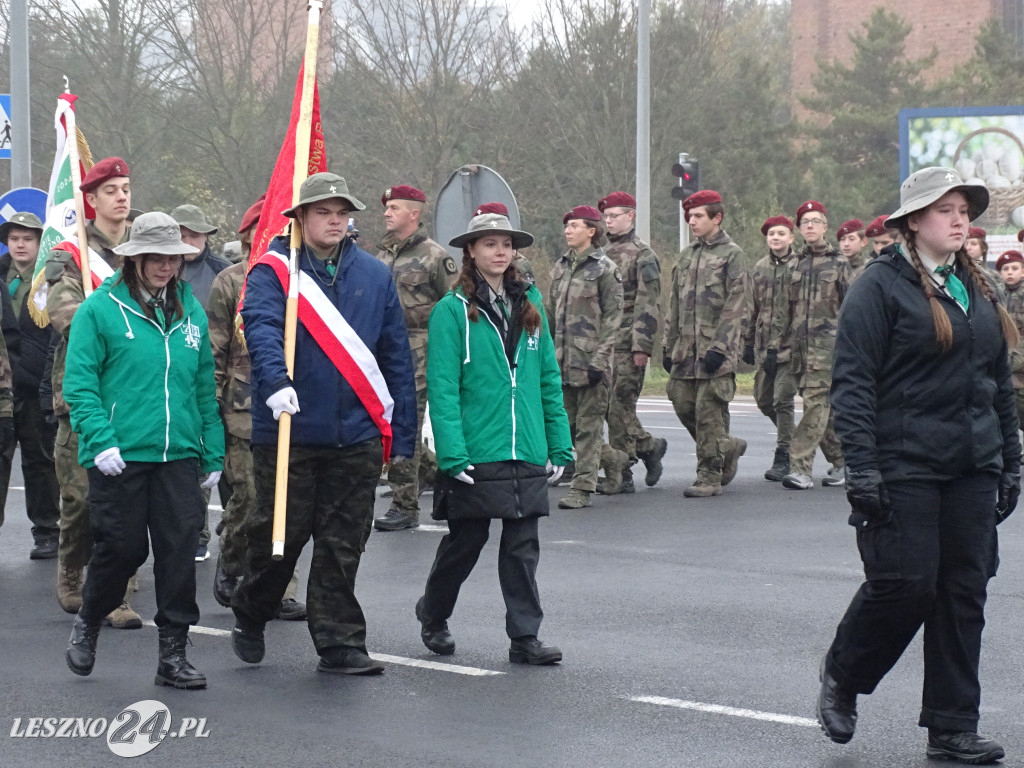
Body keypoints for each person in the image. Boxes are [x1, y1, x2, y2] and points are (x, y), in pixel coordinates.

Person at [817, 167, 1019, 764]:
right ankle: (844, 674)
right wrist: (864, 472)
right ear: (911, 222)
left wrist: (1010, 460)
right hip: (903, 463)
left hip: (972, 466)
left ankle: (953, 727)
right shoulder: (877, 287)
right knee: (906, 585)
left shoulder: (980, 285)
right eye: (945, 209)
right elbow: (851, 387)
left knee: (963, 592)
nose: (960, 219)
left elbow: (997, 384)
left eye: (965, 209)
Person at [231, 172, 416, 675]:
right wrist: (275, 382)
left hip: (355, 433)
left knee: (343, 543)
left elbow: (395, 355)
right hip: (290, 429)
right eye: (322, 212)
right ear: (300, 219)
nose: (334, 220)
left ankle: (339, 643)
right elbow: (263, 327)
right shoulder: (272, 273)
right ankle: (251, 608)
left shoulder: (375, 276)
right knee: (278, 540)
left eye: (341, 212)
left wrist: (401, 434)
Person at [62, 211, 224, 688]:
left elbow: (201, 385)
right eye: (154, 256)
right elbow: (80, 384)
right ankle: (90, 619)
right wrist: (100, 439)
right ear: (134, 258)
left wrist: (210, 449)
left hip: (177, 456)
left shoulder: (190, 310)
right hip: (119, 456)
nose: (164, 266)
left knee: (178, 554)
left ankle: (172, 655)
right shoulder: (100, 310)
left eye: (171, 257)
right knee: (122, 550)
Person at [416, 212, 571, 664]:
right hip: (476, 448)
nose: (500, 252)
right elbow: (442, 388)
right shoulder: (451, 311)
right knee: (466, 541)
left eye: (506, 244)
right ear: (471, 251)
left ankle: (525, 638)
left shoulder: (531, 304)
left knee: (522, 546)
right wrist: (452, 453)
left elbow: (547, 379)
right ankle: (434, 614)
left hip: (526, 446)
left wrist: (558, 442)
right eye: (489, 244)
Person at [46, 156, 142, 628]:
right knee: (82, 499)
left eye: (125, 187)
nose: (122, 196)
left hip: (136, 391)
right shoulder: (71, 252)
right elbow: (63, 314)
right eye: (111, 190)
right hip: (82, 392)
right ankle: (70, 565)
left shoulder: (148, 245)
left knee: (124, 502)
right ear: (92, 199)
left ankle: (116, 594)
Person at [206, 195, 306, 621]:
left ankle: (279, 586)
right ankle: (231, 561)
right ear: (249, 235)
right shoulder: (230, 282)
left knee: (287, 501)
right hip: (243, 409)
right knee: (248, 498)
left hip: (293, 405)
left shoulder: (301, 278)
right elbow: (215, 350)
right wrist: (209, 410)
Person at [373, 184, 455, 532]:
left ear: (414, 214)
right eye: (387, 207)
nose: (387, 213)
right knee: (388, 425)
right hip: (383, 353)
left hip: (421, 352)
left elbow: (456, 307)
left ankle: (405, 505)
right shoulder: (381, 256)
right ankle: (434, 475)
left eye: (394, 207)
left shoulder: (436, 257)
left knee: (404, 422)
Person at [662, 190, 749, 498]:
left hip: (716, 353)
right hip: (685, 351)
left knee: (708, 413)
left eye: (699, 215)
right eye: (690, 215)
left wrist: (720, 349)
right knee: (682, 404)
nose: (692, 220)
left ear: (717, 218)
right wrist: (667, 344)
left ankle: (709, 477)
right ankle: (728, 446)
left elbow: (735, 306)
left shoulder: (732, 255)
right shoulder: (686, 256)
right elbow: (674, 303)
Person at [545, 205, 624, 509]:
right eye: (566, 225)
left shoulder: (605, 269)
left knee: (589, 428)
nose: (568, 230)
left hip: (591, 361)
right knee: (566, 426)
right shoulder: (561, 266)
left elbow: (614, 319)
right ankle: (613, 459)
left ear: (592, 231)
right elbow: (549, 313)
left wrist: (600, 361)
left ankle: (583, 487)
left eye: (575, 225)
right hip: (562, 360)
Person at [170, 203, 232, 561]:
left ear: (207, 236)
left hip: (220, 375)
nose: (187, 240)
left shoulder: (221, 273)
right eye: (181, 233)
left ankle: (232, 532)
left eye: (194, 233)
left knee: (222, 461)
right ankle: (196, 533)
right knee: (190, 459)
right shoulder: (158, 270)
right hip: (182, 376)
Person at [596, 191, 665, 494]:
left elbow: (648, 304)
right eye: (606, 217)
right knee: (610, 407)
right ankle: (649, 447)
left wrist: (642, 346)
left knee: (619, 407)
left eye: (614, 216)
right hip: (601, 343)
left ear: (630, 216)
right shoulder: (598, 253)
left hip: (626, 342)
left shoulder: (642, 254)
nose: (609, 221)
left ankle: (622, 472)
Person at [0, 212, 60, 558]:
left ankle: (47, 529)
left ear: (40, 243)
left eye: (28, 239)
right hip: (2, 384)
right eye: (14, 239)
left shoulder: (47, 279)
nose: (20, 245)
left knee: (40, 461)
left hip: (35, 381)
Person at [781, 200, 850, 490]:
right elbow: (785, 309)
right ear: (799, 229)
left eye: (815, 221)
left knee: (814, 404)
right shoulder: (794, 263)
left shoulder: (840, 263)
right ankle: (846, 462)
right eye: (805, 221)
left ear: (825, 227)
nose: (810, 226)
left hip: (828, 348)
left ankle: (800, 468)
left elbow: (852, 307)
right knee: (823, 410)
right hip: (799, 348)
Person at [743, 215, 798, 482]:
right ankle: (799, 440)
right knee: (764, 401)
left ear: (791, 238)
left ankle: (784, 454)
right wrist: (747, 340)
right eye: (771, 234)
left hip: (791, 347)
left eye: (780, 233)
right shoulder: (760, 267)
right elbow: (753, 306)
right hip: (765, 348)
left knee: (782, 400)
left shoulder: (800, 266)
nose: (775, 238)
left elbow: (798, 310)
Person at [997, 249, 1024, 453]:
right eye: (1005, 269)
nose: (1010, 272)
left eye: (1015, 268)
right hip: (1008, 356)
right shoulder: (999, 294)